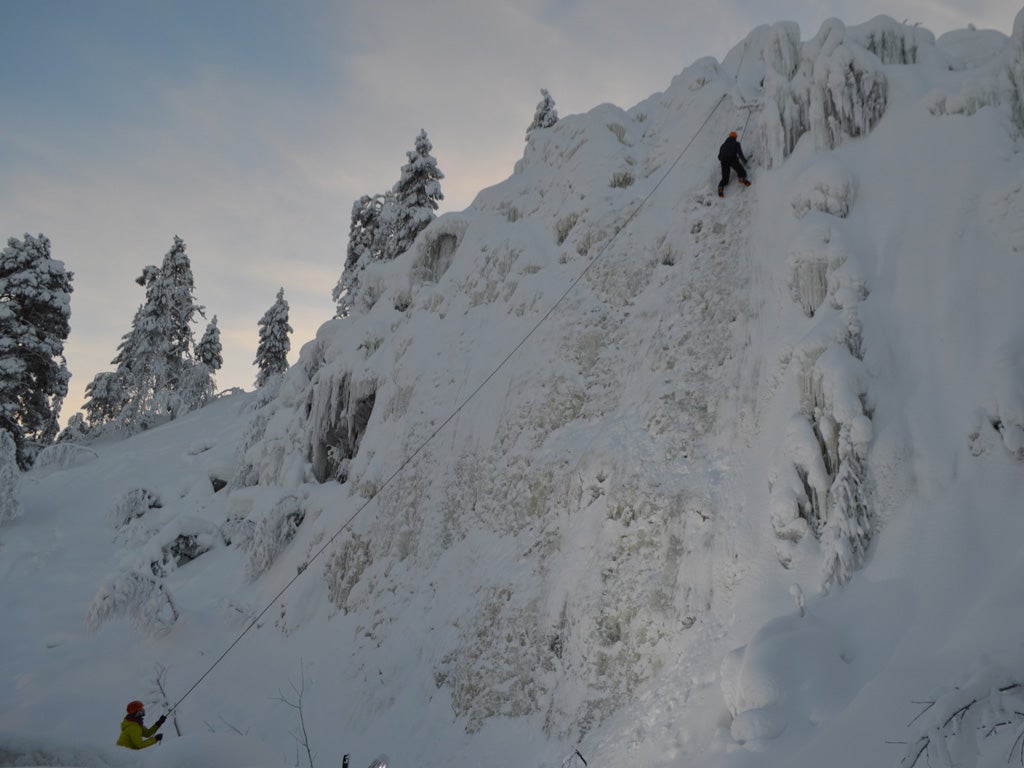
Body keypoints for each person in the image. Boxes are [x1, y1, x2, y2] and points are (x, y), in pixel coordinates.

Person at [718, 131, 751, 197]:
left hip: (723, 161)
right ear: (735, 137)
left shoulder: (723, 145)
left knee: (725, 178)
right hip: (732, 159)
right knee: (741, 171)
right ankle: (741, 178)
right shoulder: (736, 143)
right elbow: (740, 153)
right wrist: (744, 161)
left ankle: (720, 187)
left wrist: (724, 158)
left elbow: (719, 156)